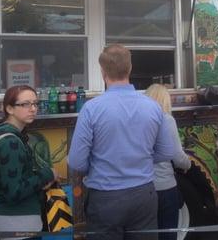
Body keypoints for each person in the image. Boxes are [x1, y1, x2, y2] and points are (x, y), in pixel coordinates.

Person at [68, 44, 175, 240]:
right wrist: (139, 159)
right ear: (130, 68)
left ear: (102, 71)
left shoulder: (91, 109)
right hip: (144, 195)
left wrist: (100, 164)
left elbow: (76, 162)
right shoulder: (153, 107)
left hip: (105, 198)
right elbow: (167, 152)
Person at [0, 85, 58, 236]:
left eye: (35, 103)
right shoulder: (10, 143)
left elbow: (16, 179)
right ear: (9, 109)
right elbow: (14, 191)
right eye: (25, 104)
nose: (33, 109)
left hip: (15, 220)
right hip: (19, 222)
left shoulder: (7, 135)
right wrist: (47, 174)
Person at [145, 84, 191, 240]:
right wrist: (188, 164)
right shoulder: (166, 120)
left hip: (143, 188)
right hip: (165, 187)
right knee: (168, 235)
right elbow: (177, 156)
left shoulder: (138, 121)